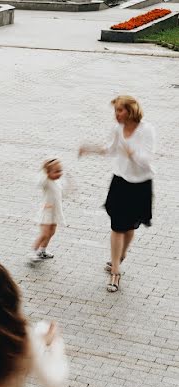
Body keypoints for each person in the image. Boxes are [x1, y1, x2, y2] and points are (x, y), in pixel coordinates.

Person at [79, 95, 156, 293]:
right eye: (115, 111)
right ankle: (115, 271)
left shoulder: (146, 130)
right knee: (117, 226)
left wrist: (132, 154)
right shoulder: (117, 129)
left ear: (131, 111)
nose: (116, 115)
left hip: (140, 185)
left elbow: (147, 160)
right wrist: (90, 149)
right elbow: (110, 149)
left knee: (129, 228)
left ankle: (120, 257)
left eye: (120, 111)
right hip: (120, 182)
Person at [29, 158, 66, 263]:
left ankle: (42, 251)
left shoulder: (57, 182)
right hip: (46, 212)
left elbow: (61, 193)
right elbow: (39, 183)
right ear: (48, 173)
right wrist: (44, 172)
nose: (59, 173)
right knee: (44, 234)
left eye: (60, 170)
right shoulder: (46, 182)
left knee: (51, 232)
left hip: (55, 212)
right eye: (56, 171)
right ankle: (33, 252)